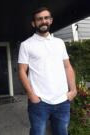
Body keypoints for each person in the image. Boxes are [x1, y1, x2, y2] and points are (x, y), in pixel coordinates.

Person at [18, 7, 77, 135]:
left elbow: (67, 66)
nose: (43, 21)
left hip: (62, 101)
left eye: (46, 18)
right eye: (39, 19)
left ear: (50, 21)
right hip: (40, 102)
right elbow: (22, 71)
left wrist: (73, 90)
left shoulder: (59, 43)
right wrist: (31, 95)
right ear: (34, 23)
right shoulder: (26, 45)